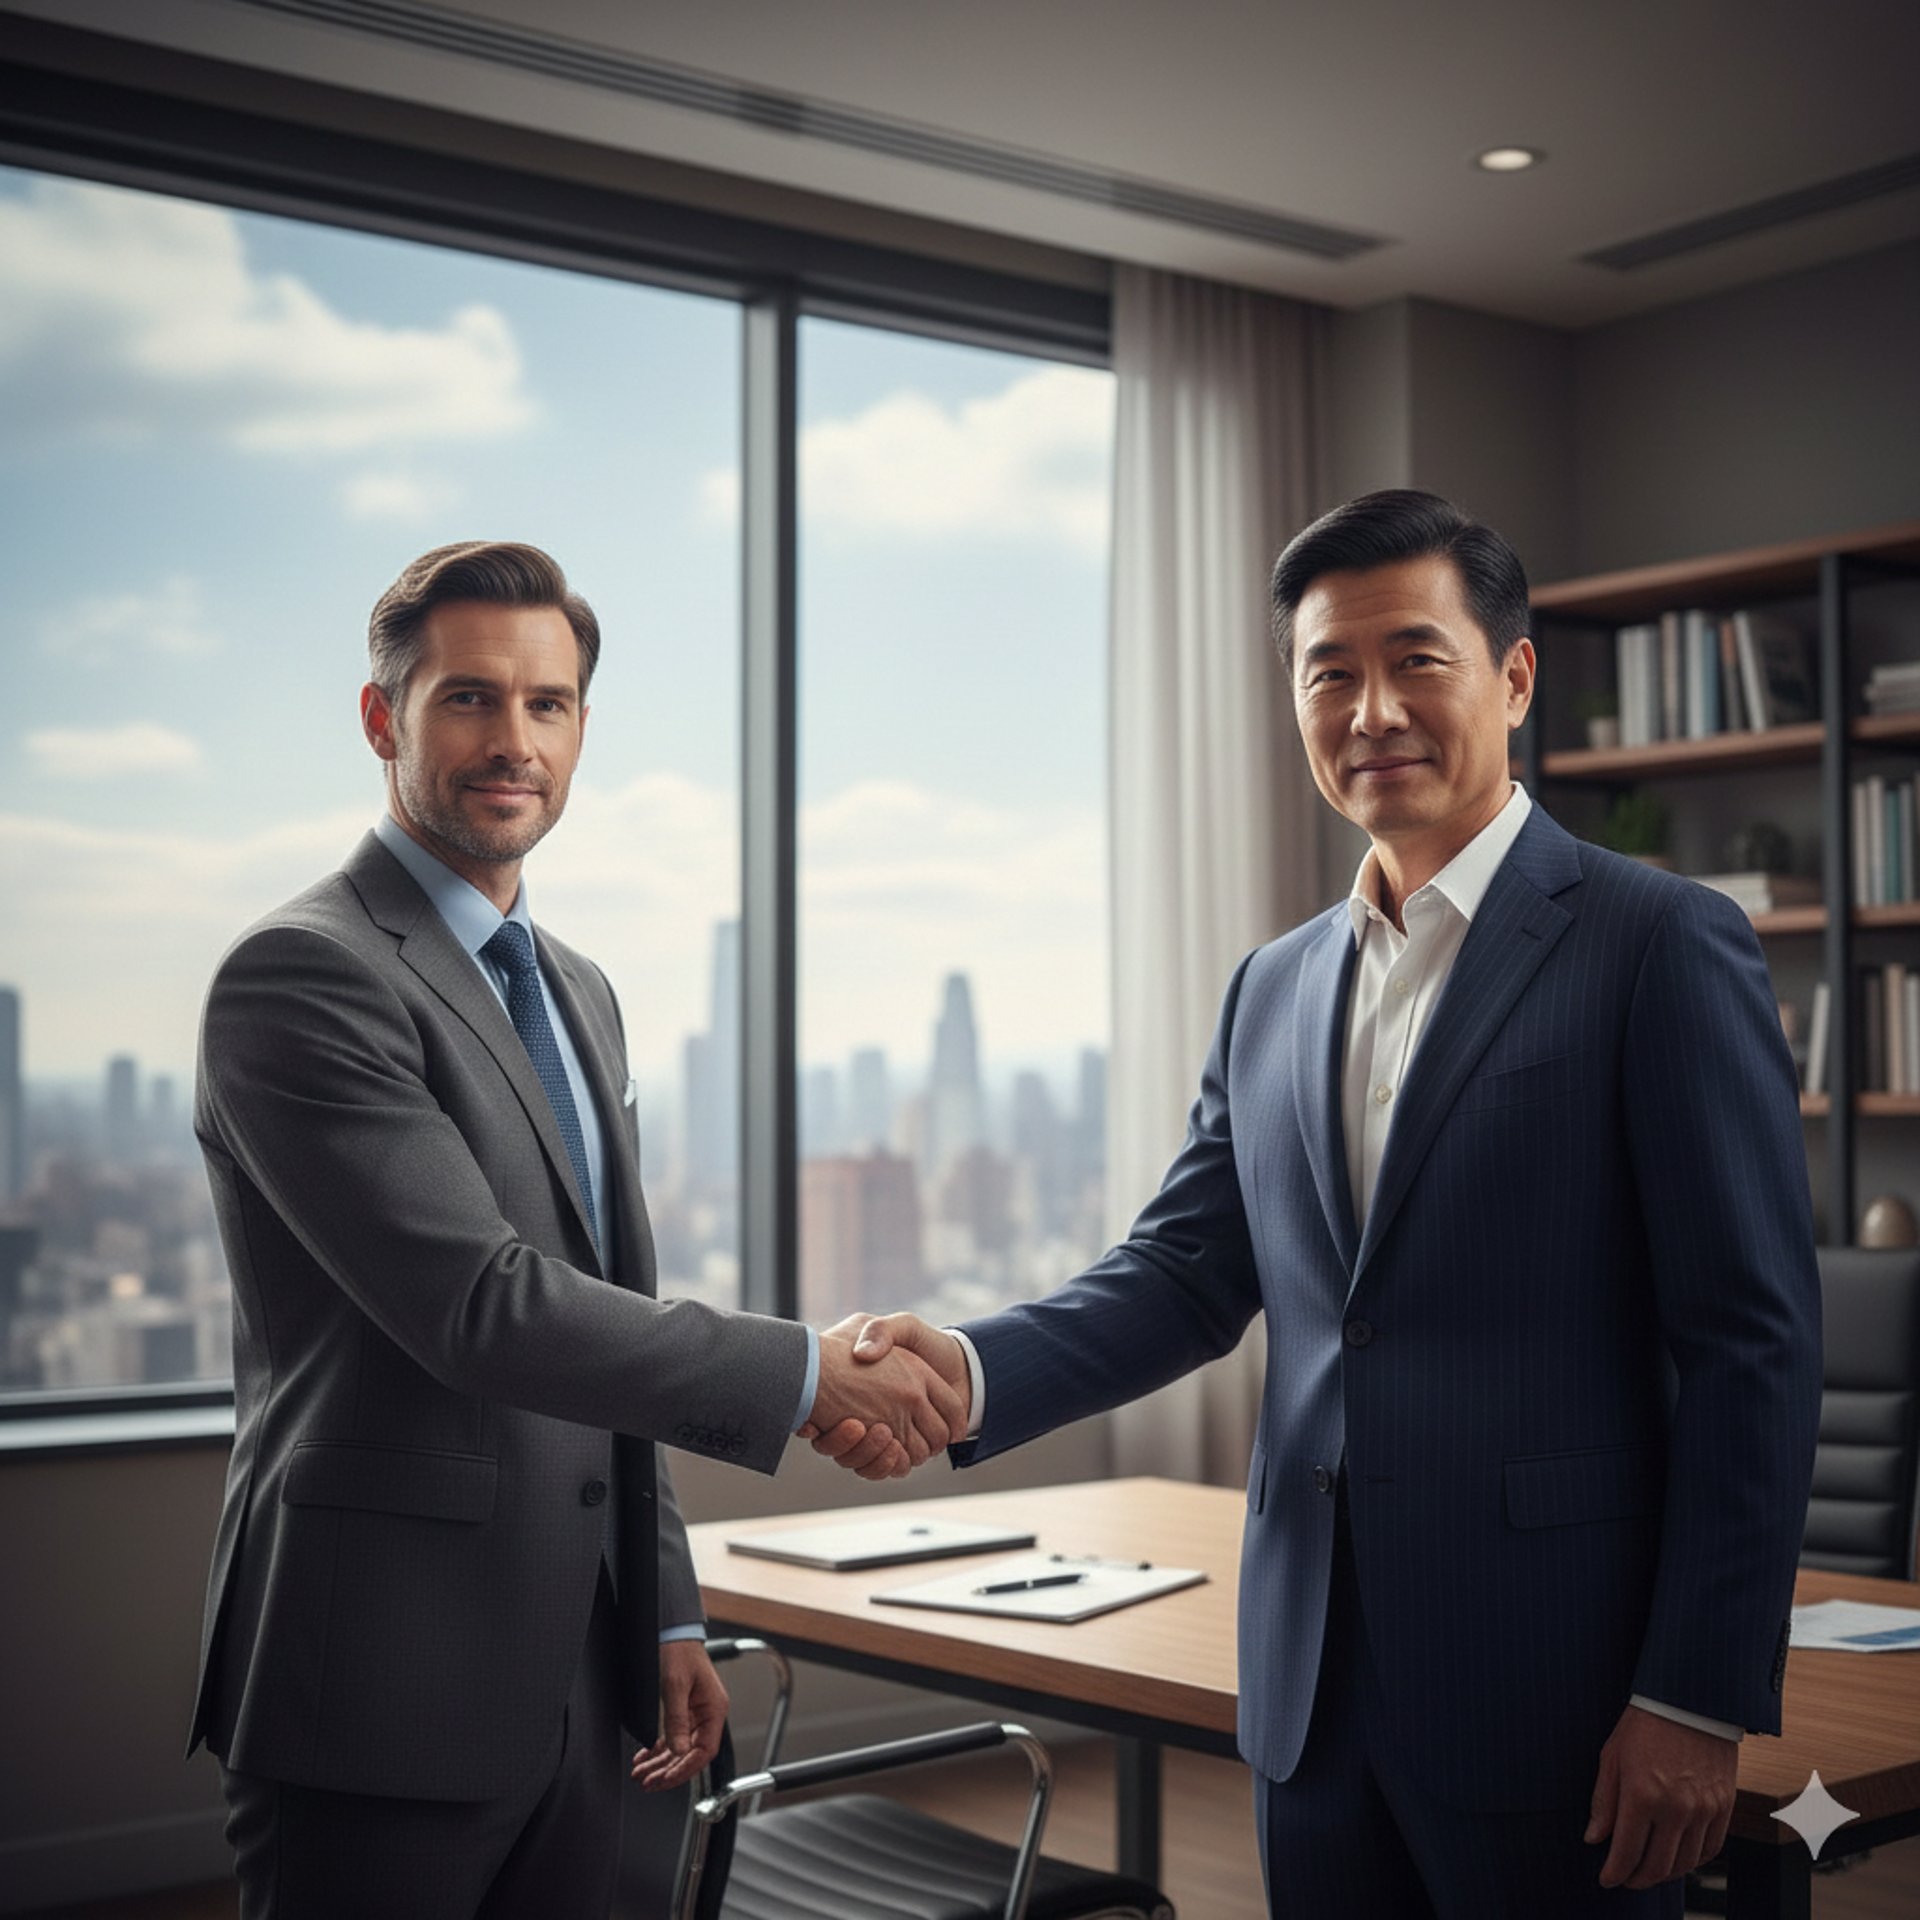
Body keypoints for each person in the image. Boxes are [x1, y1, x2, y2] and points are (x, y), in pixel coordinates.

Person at [823, 491, 1823, 1917]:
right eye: (1329, 672)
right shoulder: (1275, 985)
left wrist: (1697, 1693)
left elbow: (1755, 1349)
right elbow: (1183, 1273)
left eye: (1418, 660)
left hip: (1566, 1695)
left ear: (1515, 678)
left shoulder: (1659, 945)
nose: (1371, 711)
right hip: (1311, 1695)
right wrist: (965, 1371)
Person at [187, 541, 961, 1920]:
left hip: (592, 1677)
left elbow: (610, 1307)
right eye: (469, 699)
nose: (514, 741)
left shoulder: (578, 990)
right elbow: (482, 1307)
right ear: (383, 719)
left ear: (582, 729)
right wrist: (802, 1374)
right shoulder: (303, 973)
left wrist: (663, 1608)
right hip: (386, 1675)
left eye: (548, 706)